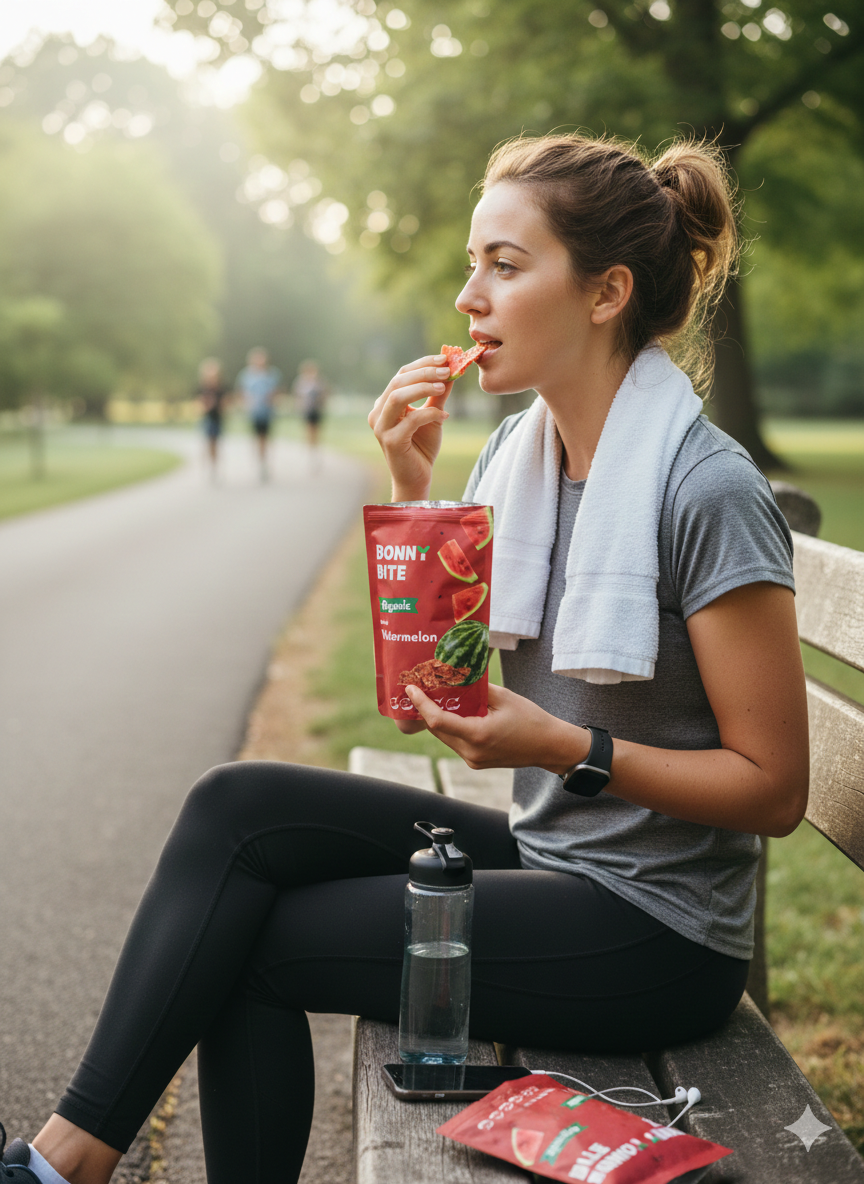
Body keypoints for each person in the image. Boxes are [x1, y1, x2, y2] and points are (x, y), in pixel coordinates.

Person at [2, 133, 809, 1184]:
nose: (469, 296)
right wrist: (413, 483)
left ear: (607, 292)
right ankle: (66, 1159)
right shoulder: (518, 457)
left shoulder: (704, 488)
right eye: (473, 262)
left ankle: (58, 1172)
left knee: (252, 946)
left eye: (506, 266)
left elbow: (775, 786)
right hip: (554, 853)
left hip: (659, 932)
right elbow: (437, 687)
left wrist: (566, 744)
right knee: (234, 807)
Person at [235, 347, 282, 482]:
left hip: (268, 412)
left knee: (266, 438)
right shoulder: (246, 375)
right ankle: (260, 461)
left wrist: (272, 398)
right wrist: (245, 403)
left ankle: (264, 462)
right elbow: (241, 393)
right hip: (253, 413)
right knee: (257, 438)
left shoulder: (272, 374)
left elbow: (277, 391)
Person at [196, 358, 229, 481]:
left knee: (216, 444)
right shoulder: (203, 389)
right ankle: (211, 467)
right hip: (207, 419)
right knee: (208, 443)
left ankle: (215, 467)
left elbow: (225, 405)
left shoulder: (221, 389)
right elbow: (199, 405)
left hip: (218, 419)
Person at [292, 359, 328, 465]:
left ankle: (315, 451)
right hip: (306, 410)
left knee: (316, 432)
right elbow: (297, 396)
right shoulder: (301, 382)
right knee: (308, 430)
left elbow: (324, 394)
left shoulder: (319, 381)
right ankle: (310, 452)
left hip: (316, 410)